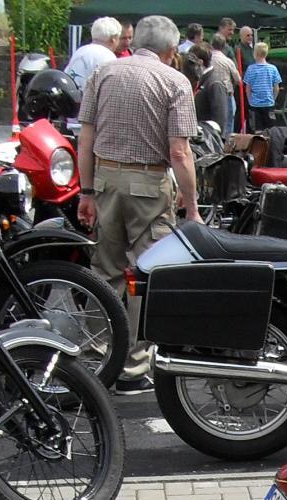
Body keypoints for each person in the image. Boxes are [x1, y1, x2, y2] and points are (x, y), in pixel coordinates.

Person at [75, 13, 198, 392]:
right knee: (146, 275)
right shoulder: (174, 81)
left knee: (105, 271)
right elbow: (180, 151)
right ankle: (132, 368)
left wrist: (86, 190)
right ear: (172, 49)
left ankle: (98, 359)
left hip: (105, 179)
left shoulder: (103, 74)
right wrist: (192, 204)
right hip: (149, 183)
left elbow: (85, 139)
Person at [69, 17, 120, 95]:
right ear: (113, 39)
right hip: (87, 100)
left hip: (70, 97)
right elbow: (111, 89)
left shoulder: (80, 51)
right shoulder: (108, 56)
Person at [192, 43, 230, 129]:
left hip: (209, 134)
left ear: (200, 62)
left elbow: (220, 118)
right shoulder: (202, 80)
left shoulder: (215, 83)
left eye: (191, 63)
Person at [243, 40, 279, 130]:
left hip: (255, 104)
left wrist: (250, 101)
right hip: (269, 103)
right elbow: (276, 88)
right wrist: (273, 99)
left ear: (254, 54)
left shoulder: (250, 69)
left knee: (256, 130)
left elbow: (248, 88)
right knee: (270, 130)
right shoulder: (273, 68)